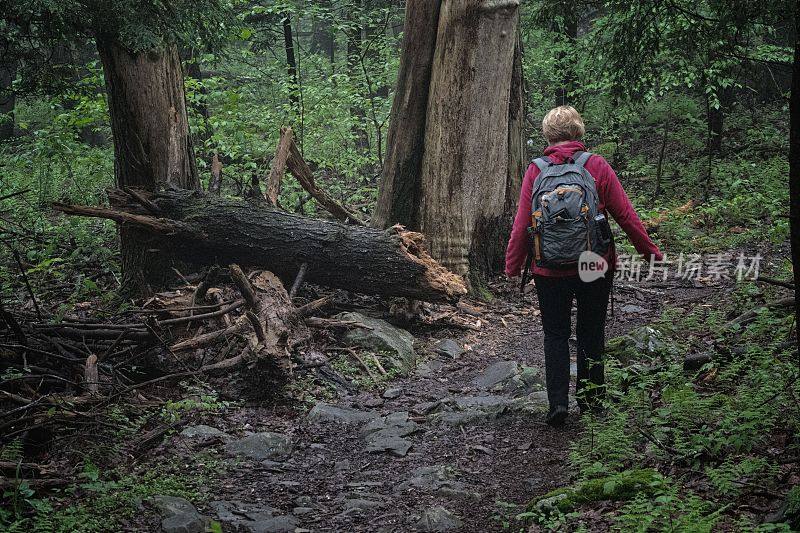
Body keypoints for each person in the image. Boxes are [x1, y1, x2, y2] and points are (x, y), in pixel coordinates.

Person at [504, 106, 662, 427]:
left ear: (548, 135)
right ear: (579, 133)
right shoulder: (597, 165)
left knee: (555, 334)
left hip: (547, 269)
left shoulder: (536, 170)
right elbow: (625, 215)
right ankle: (591, 402)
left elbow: (522, 225)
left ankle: (558, 404)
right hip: (593, 265)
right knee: (591, 332)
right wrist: (650, 253)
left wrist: (512, 266)